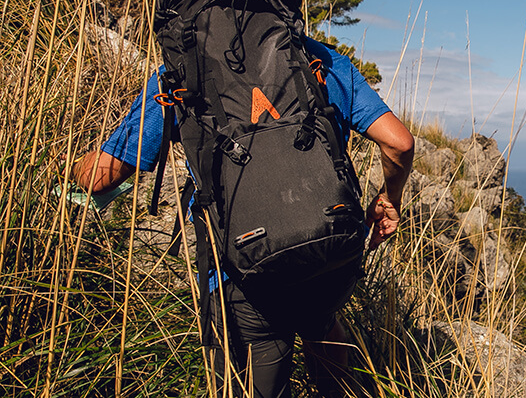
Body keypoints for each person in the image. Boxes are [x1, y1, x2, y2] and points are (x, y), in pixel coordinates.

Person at [71, 39, 414, 397]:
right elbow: (399, 143)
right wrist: (389, 197)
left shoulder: (180, 72)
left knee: (258, 365)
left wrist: (67, 166)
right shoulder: (323, 60)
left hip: (242, 265)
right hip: (330, 245)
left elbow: (100, 178)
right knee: (321, 322)